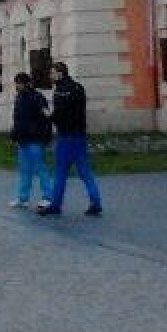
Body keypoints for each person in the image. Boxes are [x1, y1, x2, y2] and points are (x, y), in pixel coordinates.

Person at [37, 61, 103, 217]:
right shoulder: (78, 88)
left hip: (66, 136)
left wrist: (48, 115)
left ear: (60, 73)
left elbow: (59, 115)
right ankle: (96, 202)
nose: (50, 76)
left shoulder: (60, 91)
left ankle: (55, 204)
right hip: (80, 134)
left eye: (52, 73)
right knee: (85, 171)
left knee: (60, 172)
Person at [9, 72, 53, 208]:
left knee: (41, 169)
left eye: (18, 83)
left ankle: (48, 197)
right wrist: (14, 135)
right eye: (16, 83)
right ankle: (23, 198)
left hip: (36, 139)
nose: (16, 86)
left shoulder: (38, 98)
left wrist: (46, 138)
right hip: (23, 139)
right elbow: (17, 119)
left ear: (26, 83)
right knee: (24, 170)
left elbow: (47, 119)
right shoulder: (19, 98)